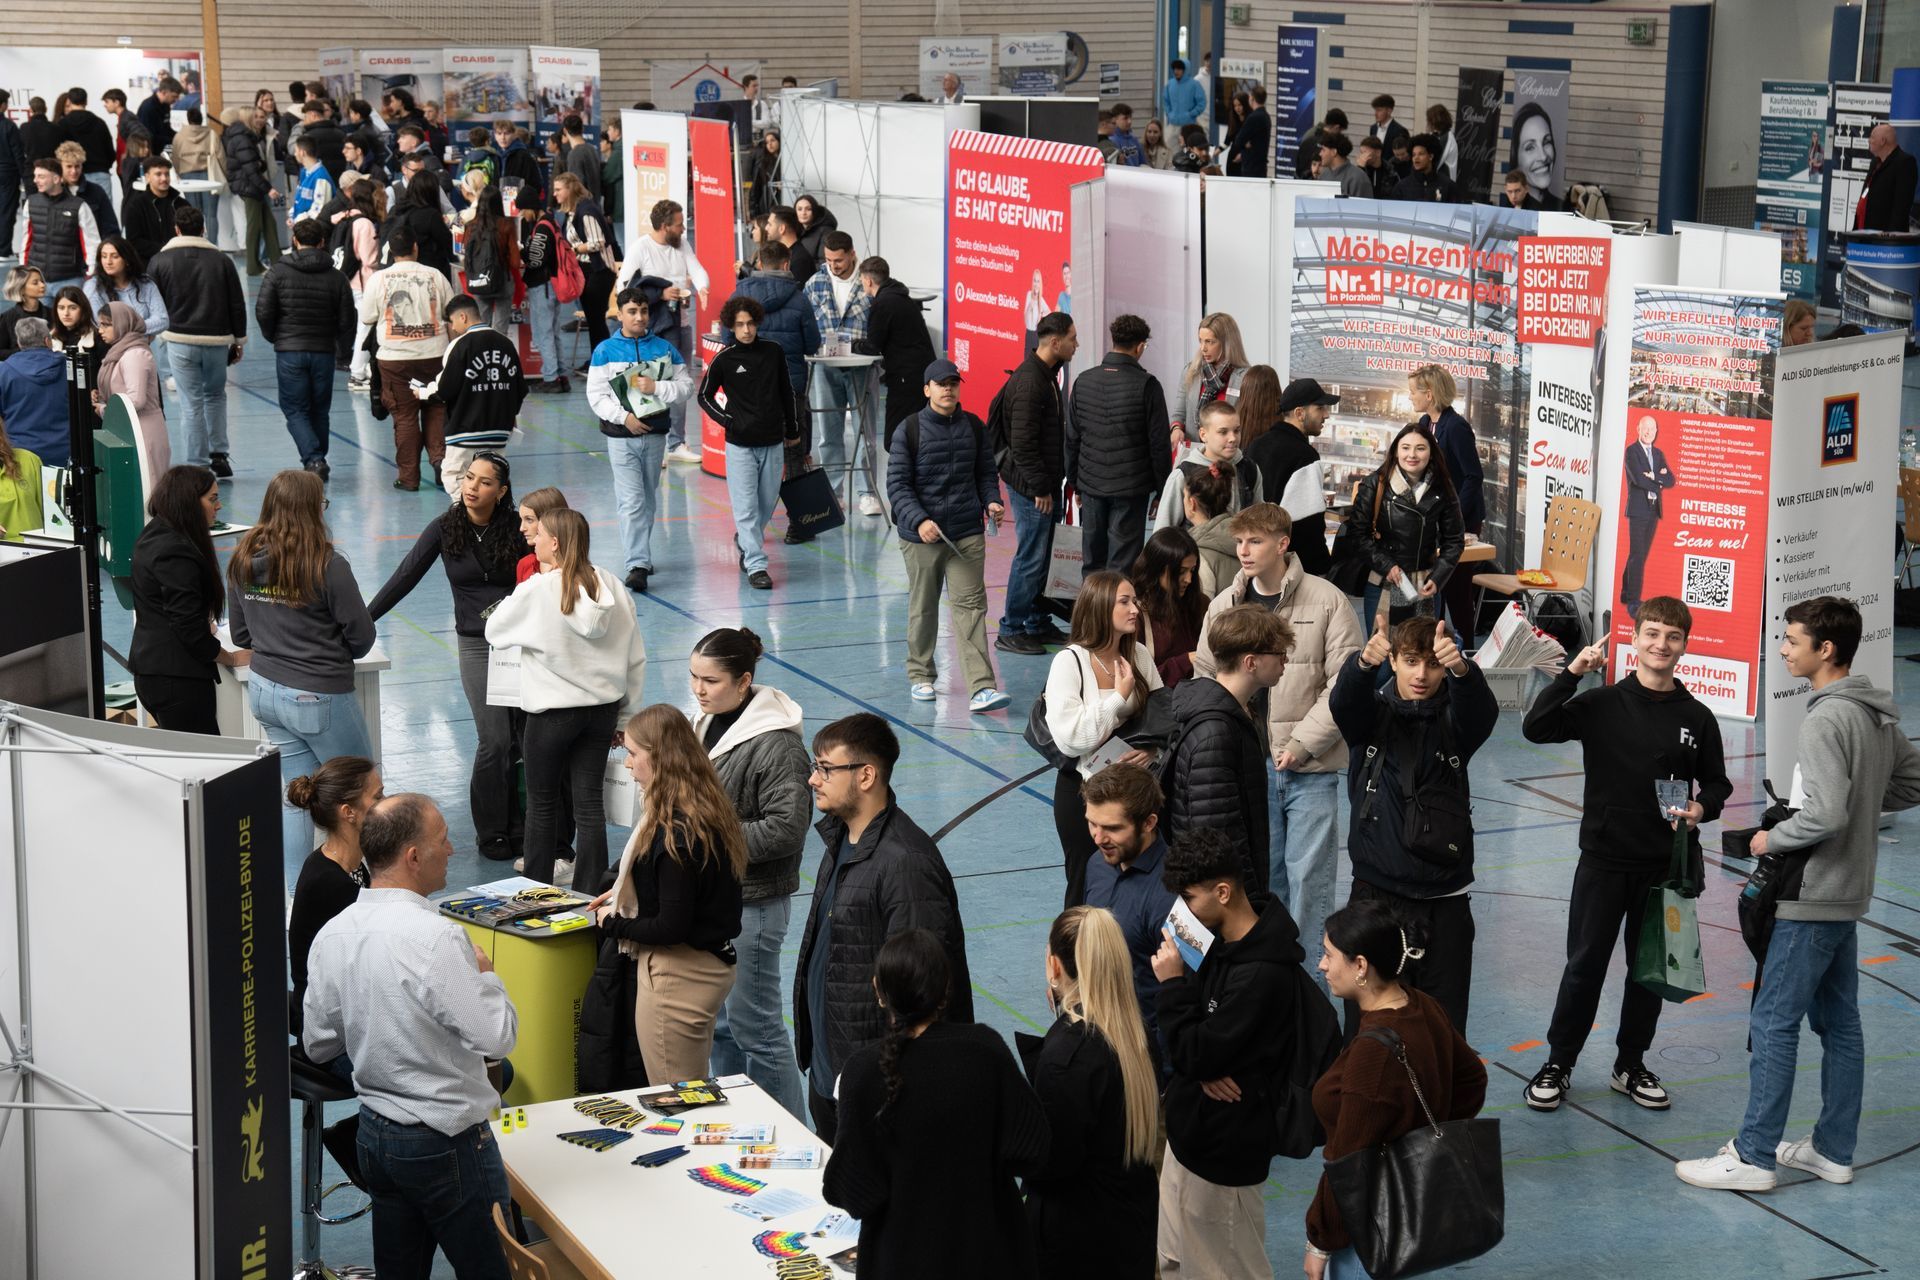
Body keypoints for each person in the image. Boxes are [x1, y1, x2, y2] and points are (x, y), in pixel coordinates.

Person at [1674, 596, 1920, 1191]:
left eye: (1790, 640)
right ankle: (1832, 1151)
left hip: (1811, 894)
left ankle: (1754, 1156)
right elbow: (1911, 784)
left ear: (1824, 649)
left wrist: (1771, 839)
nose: (1781, 649)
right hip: (1847, 894)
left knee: (1774, 1022)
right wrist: (1861, 803)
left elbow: (1826, 814)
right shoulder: (1875, 714)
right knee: (1841, 1025)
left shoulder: (1826, 719)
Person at [1521, 597, 1730, 1114]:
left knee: (1648, 972)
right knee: (1584, 967)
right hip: (1603, 862)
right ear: (1634, 639)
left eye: (1672, 636)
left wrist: (1702, 808)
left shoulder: (1697, 717)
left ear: (1684, 645)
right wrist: (1573, 673)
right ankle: (1559, 1063)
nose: (1661, 644)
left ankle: (1630, 1064)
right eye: (1652, 633)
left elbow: (1718, 783)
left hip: (1663, 868)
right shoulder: (1602, 703)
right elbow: (1537, 728)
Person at [302, 794, 517, 1280]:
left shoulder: (334, 934)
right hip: (446, 1140)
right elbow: (497, 1037)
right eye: (444, 840)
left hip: (375, 1138)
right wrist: (486, 976)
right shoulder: (436, 937)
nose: (453, 849)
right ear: (413, 857)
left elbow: (317, 1044)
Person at [1196, 502, 1363, 983]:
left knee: (1310, 888)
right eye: (1239, 542)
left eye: (1255, 541)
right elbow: (1206, 676)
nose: (1243, 551)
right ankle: (1270, 990)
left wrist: (1303, 743)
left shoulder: (1328, 601)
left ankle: (1311, 997)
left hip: (1309, 770)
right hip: (1249, 769)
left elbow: (1345, 685)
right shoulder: (1223, 607)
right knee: (1263, 887)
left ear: (1283, 544)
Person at [793, 713, 974, 1142]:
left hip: (877, 1088)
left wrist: (889, 1085)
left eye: (825, 769)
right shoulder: (841, 838)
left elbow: (920, 996)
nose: (813, 780)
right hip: (834, 1073)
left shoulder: (906, 864)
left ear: (866, 775)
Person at [823, 929, 1046, 1276]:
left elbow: (851, 1191)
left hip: (901, 1261)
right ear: (945, 990)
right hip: (988, 1255)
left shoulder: (863, 1072)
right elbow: (1033, 1150)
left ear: (879, 991)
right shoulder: (985, 1050)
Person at [1304, 899, 1488, 1279]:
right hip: (1410, 1211)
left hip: (1367, 1237)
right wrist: (1422, 1140)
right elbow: (1472, 1079)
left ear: (1360, 966)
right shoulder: (1421, 1005)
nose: (1321, 965)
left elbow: (1347, 1161)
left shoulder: (1373, 1055)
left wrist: (1320, 1242)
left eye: (1329, 955)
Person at [1330, 616, 1497, 1033]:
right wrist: (1361, 666)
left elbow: (1482, 713)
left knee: (1443, 1029)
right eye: (1410, 661)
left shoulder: (1456, 723)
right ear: (1393, 661)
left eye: (1433, 664)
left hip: (1446, 903)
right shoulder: (1371, 718)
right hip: (1376, 898)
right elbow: (1344, 704)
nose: (1421, 674)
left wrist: (1462, 670)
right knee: (1369, 1028)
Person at [1151, 826, 1306, 1278]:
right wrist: (1200, 1063)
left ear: (1222, 892)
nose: (1181, 911)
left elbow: (1193, 1051)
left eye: (1189, 898)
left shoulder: (1262, 976)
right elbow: (1199, 1053)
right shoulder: (1213, 939)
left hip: (1224, 1157)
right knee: (1174, 1261)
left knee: (1226, 1270)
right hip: (1187, 1139)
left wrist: (1173, 986)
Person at [368, 453, 529, 864]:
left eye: (484, 482)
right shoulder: (445, 527)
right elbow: (405, 576)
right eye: (469, 477)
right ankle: (491, 830)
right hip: (475, 643)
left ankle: (520, 825)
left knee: (519, 737)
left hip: (519, 643)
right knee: (493, 738)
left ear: (501, 491)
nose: (472, 487)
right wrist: (363, 620)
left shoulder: (517, 527)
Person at [681, 628, 811, 1115]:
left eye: (710, 681)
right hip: (717, 900)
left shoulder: (777, 745)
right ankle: (738, 1124)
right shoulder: (706, 723)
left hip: (754, 905)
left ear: (743, 681)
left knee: (758, 1030)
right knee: (721, 1027)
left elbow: (787, 829)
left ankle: (795, 1135)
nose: (699, 690)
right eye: (694, 677)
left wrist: (706, 838)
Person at [485, 508, 648, 893]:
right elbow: (635, 657)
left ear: (555, 543)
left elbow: (495, 629)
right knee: (589, 805)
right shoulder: (612, 585)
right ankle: (591, 891)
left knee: (542, 804)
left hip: (552, 716)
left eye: (539, 534)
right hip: (602, 712)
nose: (533, 540)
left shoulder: (539, 588)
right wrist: (626, 718)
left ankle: (536, 889)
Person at [227, 469, 377, 875]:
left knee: (296, 795)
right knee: (361, 790)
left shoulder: (242, 558)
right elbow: (361, 637)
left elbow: (241, 635)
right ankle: (371, 883)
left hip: (264, 691)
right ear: (313, 510)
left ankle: (296, 895)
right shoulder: (327, 564)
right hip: (317, 695)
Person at [587, 706, 747, 1084]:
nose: (627, 764)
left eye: (633, 754)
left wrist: (613, 923)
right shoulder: (704, 807)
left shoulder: (675, 833)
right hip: (707, 966)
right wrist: (631, 890)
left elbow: (670, 927)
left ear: (660, 758)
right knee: (692, 1085)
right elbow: (688, 889)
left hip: (679, 976)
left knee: (676, 1096)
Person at [1018, 905, 1160, 1278]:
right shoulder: (1137, 1035)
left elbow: (1053, 1162)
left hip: (1078, 1244)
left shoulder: (1068, 1059)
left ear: (1054, 967)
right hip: (1130, 1227)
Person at [887, 358, 1011, 712]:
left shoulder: (974, 427)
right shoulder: (909, 430)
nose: (948, 389)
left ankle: (981, 688)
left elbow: (985, 473)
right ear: (927, 389)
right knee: (924, 607)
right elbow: (897, 485)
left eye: (953, 383)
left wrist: (991, 500)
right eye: (941, 384)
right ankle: (921, 674)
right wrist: (919, 520)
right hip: (922, 537)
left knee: (971, 608)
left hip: (966, 533)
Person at [1045, 571, 1164, 907]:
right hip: (1082, 792)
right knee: (1084, 884)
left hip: (1133, 791)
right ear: (1099, 607)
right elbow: (1071, 739)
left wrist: (1152, 748)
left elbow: (1163, 716)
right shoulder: (1069, 662)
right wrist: (1118, 696)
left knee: (1139, 880)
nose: (1135, 609)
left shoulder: (1139, 654)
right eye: (1124, 602)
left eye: (1134, 601)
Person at [1163, 603, 1293, 887]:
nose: (1285, 661)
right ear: (1251, 662)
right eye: (1279, 653)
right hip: (1224, 895)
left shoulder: (1236, 714)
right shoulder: (1216, 734)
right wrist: (1247, 902)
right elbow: (1217, 837)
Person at [586, 288, 691, 593]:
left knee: (647, 499)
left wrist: (657, 387)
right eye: (632, 311)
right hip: (621, 438)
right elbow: (596, 395)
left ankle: (640, 553)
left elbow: (686, 386)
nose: (639, 317)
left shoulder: (664, 349)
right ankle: (637, 564)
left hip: (655, 436)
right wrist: (624, 418)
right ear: (620, 314)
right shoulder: (605, 351)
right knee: (631, 501)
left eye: (643, 311)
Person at [127, 465, 244, 730]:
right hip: (177, 681)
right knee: (204, 753)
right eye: (212, 499)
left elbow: (167, 605)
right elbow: (187, 626)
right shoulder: (176, 551)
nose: (219, 506)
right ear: (189, 501)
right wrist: (230, 657)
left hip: (154, 672)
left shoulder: (155, 533)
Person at [698, 295, 800, 591]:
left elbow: (786, 392)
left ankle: (746, 539)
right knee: (745, 507)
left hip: (772, 442)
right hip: (740, 446)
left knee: (766, 503)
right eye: (740, 325)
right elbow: (704, 396)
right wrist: (728, 421)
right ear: (731, 326)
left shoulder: (773, 351)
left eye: (751, 324)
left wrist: (792, 429)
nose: (746, 330)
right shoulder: (725, 359)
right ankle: (756, 565)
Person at [1079, 764, 1178, 1064]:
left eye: (1112, 828)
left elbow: (1188, 991)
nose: (1098, 838)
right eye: (1092, 824)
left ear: (1148, 823)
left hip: (1147, 1055)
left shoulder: (1175, 893)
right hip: (1098, 1039)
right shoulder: (1097, 864)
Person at [996, 312, 1078, 656]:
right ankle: (1011, 628)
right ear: (1055, 342)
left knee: (1043, 556)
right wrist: (1041, 489)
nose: (1076, 344)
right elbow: (1023, 444)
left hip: (1043, 484)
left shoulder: (1045, 375)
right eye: (1072, 338)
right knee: (1031, 557)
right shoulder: (1031, 383)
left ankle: (1036, 620)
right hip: (1033, 489)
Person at [1067, 314, 1171, 576]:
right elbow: (1159, 444)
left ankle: (1092, 604)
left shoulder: (1083, 381)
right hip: (1131, 489)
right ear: (1140, 347)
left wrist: (1075, 483)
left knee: (1092, 561)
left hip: (1091, 484)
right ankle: (1118, 603)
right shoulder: (1148, 385)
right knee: (1123, 564)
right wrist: (1163, 490)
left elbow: (1072, 438)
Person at [286, 756, 381, 1038]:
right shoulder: (331, 883)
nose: (385, 804)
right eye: (378, 797)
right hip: (329, 1032)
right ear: (348, 812)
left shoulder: (346, 864)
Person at [149, 206, 245, 475]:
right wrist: (239, 340)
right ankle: (219, 455)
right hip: (217, 341)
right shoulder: (222, 260)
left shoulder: (160, 261)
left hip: (179, 340)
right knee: (215, 396)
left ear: (176, 229)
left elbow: (153, 303)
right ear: (204, 228)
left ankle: (197, 464)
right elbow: (236, 303)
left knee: (191, 403)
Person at [360, 222, 453, 491]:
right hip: (434, 355)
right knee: (436, 409)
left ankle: (409, 477)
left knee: (405, 417)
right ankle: (440, 463)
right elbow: (451, 312)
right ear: (415, 247)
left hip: (395, 359)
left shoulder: (379, 279)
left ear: (390, 250)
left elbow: (367, 317)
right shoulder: (435, 276)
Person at [256, 218, 353, 475]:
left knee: (295, 408)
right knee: (320, 409)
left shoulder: (277, 272)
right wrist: (342, 349)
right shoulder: (337, 277)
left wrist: (276, 337)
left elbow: (263, 311)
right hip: (324, 351)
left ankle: (314, 458)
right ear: (322, 242)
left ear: (295, 241)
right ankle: (318, 457)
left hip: (290, 350)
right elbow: (347, 319)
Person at [616, 198, 709, 461]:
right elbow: (624, 288)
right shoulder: (641, 248)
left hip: (681, 324)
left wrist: (703, 287)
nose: (684, 229)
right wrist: (661, 294)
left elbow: (697, 269)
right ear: (665, 226)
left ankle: (676, 443)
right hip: (654, 328)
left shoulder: (682, 245)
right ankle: (652, 442)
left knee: (681, 383)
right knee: (650, 384)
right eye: (679, 225)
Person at [1349, 422, 1465, 629]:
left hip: (1425, 584)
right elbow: (1357, 534)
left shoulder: (1443, 488)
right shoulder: (1375, 483)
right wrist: (1386, 565)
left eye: (1420, 448)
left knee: (1423, 647)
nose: (1412, 455)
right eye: (1405, 448)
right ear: (1395, 451)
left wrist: (1438, 577)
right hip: (1384, 580)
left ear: (1431, 453)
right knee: (1382, 646)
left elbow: (1454, 540)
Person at [735, 240, 818, 513]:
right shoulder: (799, 299)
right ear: (786, 264)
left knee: (750, 459)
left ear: (759, 263)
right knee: (793, 454)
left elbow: (727, 338)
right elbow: (812, 344)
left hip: (749, 391)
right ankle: (800, 522)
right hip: (790, 388)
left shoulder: (740, 295)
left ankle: (750, 526)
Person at [417, 293, 527, 497]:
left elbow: (445, 389)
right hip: (498, 432)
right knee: (491, 482)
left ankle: (467, 515)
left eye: (452, 322)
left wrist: (423, 392)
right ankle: (490, 515)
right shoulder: (506, 343)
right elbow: (521, 389)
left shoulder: (460, 345)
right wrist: (506, 417)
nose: (453, 328)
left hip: (464, 432)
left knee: (455, 478)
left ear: (463, 317)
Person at [805, 230, 880, 513]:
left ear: (852, 254)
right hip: (825, 367)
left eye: (838, 260)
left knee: (866, 432)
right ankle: (834, 492)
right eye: (828, 260)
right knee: (829, 433)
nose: (833, 266)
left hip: (862, 367)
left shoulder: (868, 282)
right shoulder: (815, 283)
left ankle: (867, 492)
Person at [1246, 377, 1336, 576]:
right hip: (1289, 566)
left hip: (1253, 556)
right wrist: (1322, 568)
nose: (1326, 415)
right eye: (1320, 408)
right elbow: (1307, 524)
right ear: (1299, 413)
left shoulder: (1256, 445)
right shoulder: (1305, 456)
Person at [854, 255, 937, 451]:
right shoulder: (902, 297)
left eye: (862, 280)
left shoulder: (883, 303)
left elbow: (872, 346)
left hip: (905, 378)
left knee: (895, 440)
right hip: (920, 373)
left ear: (868, 280)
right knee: (915, 433)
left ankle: (904, 469)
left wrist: (852, 345)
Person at [1156, 400, 1258, 533]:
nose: (1233, 438)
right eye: (1223, 432)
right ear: (1203, 435)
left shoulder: (1250, 469)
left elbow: (1259, 520)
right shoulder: (1182, 475)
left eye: (1237, 430)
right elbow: (1162, 533)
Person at [92, 301, 169, 473]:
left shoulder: (135, 354)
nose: (100, 330)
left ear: (122, 324)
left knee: (148, 485)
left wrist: (104, 409)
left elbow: (136, 401)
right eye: (99, 325)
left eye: (106, 325)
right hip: (130, 430)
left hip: (143, 433)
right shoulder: (119, 352)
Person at [1132, 529, 1206, 687]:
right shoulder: (1135, 614)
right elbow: (1135, 683)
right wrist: (1185, 661)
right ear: (1157, 569)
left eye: (1192, 570)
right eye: (1181, 572)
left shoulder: (1200, 603)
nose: (1188, 579)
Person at [554, 173, 617, 354]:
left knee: (596, 320)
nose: (555, 194)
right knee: (594, 320)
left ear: (570, 189)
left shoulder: (587, 211)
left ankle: (601, 360)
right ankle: (597, 359)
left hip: (599, 271)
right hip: (587, 270)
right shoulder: (574, 211)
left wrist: (574, 250)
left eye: (558, 189)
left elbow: (598, 242)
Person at [15, 157, 99, 293]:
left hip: (71, 279)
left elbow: (91, 241)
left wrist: (91, 272)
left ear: (56, 179)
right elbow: (26, 239)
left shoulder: (79, 206)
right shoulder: (30, 203)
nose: (35, 180)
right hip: (37, 280)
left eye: (41, 176)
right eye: (35, 176)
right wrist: (23, 269)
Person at [1619, 412, 1674, 617]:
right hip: (1638, 509)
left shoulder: (1658, 454)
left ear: (1656, 432)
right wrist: (1658, 480)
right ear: (1638, 430)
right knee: (1637, 555)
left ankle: (1626, 593)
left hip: (1653, 510)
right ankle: (1633, 602)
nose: (1649, 432)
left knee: (1639, 554)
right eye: (1645, 429)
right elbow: (1638, 480)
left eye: (1652, 429)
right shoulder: (1631, 451)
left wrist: (1655, 476)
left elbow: (1671, 479)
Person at [221, 106, 282, 276]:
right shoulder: (243, 139)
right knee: (255, 226)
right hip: (250, 187)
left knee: (268, 223)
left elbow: (251, 165)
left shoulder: (241, 137)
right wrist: (268, 188)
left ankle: (276, 261)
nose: (259, 120)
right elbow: (251, 169)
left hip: (249, 185)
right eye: (255, 117)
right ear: (248, 118)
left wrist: (259, 165)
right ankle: (254, 266)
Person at [1171, 313, 1249, 446]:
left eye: (1210, 342)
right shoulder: (1191, 371)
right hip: (1195, 451)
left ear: (1227, 343)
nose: (1203, 348)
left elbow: (1249, 423)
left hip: (1229, 452)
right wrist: (1176, 429)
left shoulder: (1245, 377)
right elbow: (1179, 414)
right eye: (1201, 341)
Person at [0, 319, 69, 467]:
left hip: (20, 456)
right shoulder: (70, 367)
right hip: (66, 453)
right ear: (47, 341)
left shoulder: (4, 371)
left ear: (19, 343)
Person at [518, 200, 569, 395]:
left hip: (542, 286)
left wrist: (521, 251)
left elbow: (536, 259)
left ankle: (551, 378)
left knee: (543, 333)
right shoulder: (552, 222)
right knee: (553, 333)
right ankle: (561, 376)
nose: (523, 214)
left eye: (523, 209)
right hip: (553, 285)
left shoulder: (541, 228)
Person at [460, 183, 520, 337]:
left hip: (479, 280)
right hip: (502, 282)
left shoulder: (470, 226)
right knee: (501, 330)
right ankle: (498, 351)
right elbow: (515, 262)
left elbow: (466, 254)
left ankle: (482, 351)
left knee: (480, 327)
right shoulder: (506, 225)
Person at [82, 237, 168, 341]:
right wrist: (143, 331)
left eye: (115, 256)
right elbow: (102, 325)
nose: (108, 262)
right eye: (104, 256)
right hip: (111, 348)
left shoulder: (145, 283)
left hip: (143, 347)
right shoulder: (93, 287)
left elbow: (162, 320)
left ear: (127, 260)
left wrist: (126, 328)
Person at [1183, 463, 1240, 598]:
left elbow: (1202, 605)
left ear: (1192, 503)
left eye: (1184, 496)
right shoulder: (1246, 538)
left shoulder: (1197, 555)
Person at [119, 157, 188, 264]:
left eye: (167, 174)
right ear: (147, 177)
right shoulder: (136, 206)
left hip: (180, 262)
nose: (164, 178)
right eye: (158, 174)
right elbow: (134, 241)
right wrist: (165, 249)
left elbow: (191, 235)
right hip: (149, 264)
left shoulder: (181, 204)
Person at [389, 170, 455, 279]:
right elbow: (448, 244)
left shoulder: (396, 210)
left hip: (397, 270)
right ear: (432, 192)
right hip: (429, 272)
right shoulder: (430, 215)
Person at [1856, 123, 1918, 232]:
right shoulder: (1875, 162)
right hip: (1864, 231)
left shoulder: (1904, 162)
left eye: (1872, 137)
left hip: (1885, 236)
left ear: (1883, 141)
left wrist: (1890, 236)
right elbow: (1867, 191)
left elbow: (1901, 206)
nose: (1869, 140)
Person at [172, 107, 220, 229]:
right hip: (209, 175)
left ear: (188, 119)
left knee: (193, 214)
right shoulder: (211, 133)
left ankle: (195, 239)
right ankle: (211, 241)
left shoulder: (179, 136)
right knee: (211, 214)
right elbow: (220, 155)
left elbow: (175, 158)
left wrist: (178, 173)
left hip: (187, 176)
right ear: (201, 119)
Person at [1509, 102, 1563, 210]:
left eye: (1547, 142)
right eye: (1530, 147)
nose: (1543, 157)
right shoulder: (1510, 212)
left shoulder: (1563, 208)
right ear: (1515, 157)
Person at [1390, 133, 1460, 203]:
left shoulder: (1448, 186)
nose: (1416, 158)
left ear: (1431, 156)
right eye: (1414, 155)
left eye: (1421, 154)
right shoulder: (1401, 187)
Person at [0, 266, 49, 359]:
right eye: (35, 283)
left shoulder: (52, 313)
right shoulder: (7, 318)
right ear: (21, 288)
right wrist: (24, 352)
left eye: (42, 281)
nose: (42, 285)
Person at [1226, 85, 1271, 178]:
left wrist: (1247, 143)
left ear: (1252, 99)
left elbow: (1239, 140)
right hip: (1262, 164)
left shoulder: (1253, 117)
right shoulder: (1266, 116)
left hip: (1251, 166)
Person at [0, 91, 22, 255]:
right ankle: (3, 248)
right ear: (3, 105)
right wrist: (25, 177)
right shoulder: (9, 126)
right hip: (8, 174)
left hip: (7, 174)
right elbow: (18, 154)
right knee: (6, 211)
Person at [1320, 132, 1373, 199]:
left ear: (1334, 152)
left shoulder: (1358, 178)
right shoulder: (1324, 174)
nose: (1320, 154)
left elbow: (1364, 204)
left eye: (1323, 150)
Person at [1161, 60, 1207, 129]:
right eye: (1175, 69)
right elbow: (1165, 101)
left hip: (1189, 125)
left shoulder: (1194, 84)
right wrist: (1169, 114)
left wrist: (1191, 114)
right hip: (1172, 124)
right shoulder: (1170, 84)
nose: (1176, 71)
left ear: (1185, 70)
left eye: (1179, 69)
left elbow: (1202, 103)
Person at [1427, 103, 1459, 179]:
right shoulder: (1438, 135)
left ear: (1435, 121)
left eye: (1429, 120)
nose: (1428, 123)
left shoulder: (1446, 138)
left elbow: (1435, 162)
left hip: (1444, 181)